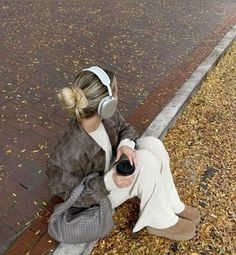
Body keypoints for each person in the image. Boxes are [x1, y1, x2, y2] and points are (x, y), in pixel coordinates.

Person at [46, 65, 200, 241]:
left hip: (111, 170)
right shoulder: (67, 152)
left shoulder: (108, 117)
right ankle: (159, 221)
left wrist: (126, 144)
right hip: (96, 199)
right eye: (116, 92)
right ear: (106, 104)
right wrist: (108, 182)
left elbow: (126, 129)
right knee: (145, 161)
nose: (118, 97)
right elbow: (71, 198)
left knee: (153, 144)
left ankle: (173, 204)